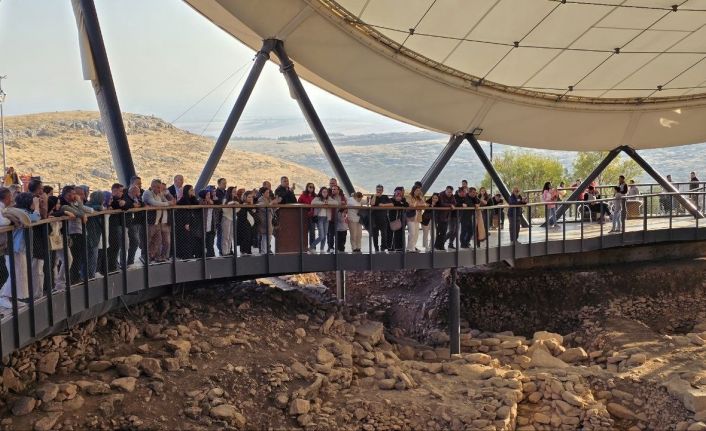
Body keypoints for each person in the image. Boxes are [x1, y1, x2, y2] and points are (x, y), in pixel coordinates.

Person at [0, 193, 41, 309]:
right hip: (14, 248)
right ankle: (3, 297)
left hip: (18, 247)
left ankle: (13, 298)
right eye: (33, 201)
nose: (35, 203)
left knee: (19, 273)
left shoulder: (21, 211)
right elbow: (35, 218)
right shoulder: (21, 212)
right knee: (15, 273)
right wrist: (37, 206)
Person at [142, 179, 173, 263]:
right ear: (153, 186)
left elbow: (170, 202)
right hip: (150, 222)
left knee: (158, 241)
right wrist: (167, 204)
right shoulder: (147, 193)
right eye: (158, 187)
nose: (160, 189)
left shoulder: (159, 194)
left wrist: (167, 199)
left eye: (160, 188)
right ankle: (145, 257)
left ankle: (155, 256)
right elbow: (153, 203)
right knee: (148, 240)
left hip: (157, 222)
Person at [175, 185, 199, 259]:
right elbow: (184, 212)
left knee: (191, 239)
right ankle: (185, 255)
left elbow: (196, 204)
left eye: (193, 190)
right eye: (191, 190)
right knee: (185, 239)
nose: (192, 191)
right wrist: (186, 223)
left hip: (190, 222)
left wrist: (194, 196)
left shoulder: (191, 198)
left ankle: (190, 254)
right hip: (183, 222)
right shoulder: (183, 200)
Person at [85, 191, 105, 279]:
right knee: (92, 254)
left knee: (93, 254)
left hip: (95, 233)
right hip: (90, 233)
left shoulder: (97, 207)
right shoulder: (89, 206)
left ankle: (91, 274)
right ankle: (90, 275)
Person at [124, 184, 143, 266]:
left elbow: (143, 204)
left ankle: (130, 261)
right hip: (128, 222)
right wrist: (133, 205)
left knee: (134, 242)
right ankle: (125, 262)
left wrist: (139, 204)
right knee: (134, 241)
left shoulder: (137, 198)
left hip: (136, 222)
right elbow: (126, 205)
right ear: (133, 192)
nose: (139, 194)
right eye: (137, 192)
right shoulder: (126, 197)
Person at [370, 184, 392, 252]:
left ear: (382, 190)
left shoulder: (385, 197)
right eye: (377, 190)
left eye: (380, 190)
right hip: (374, 218)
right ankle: (376, 247)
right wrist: (375, 196)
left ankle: (383, 247)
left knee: (384, 235)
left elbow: (391, 204)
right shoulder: (373, 196)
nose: (378, 191)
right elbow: (372, 203)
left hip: (383, 218)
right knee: (375, 235)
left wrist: (383, 205)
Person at [311, 187, 334, 252]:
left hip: (326, 218)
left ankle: (322, 249)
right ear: (321, 192)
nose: (325, 193)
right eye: (323, 192)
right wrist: (323, 203)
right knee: (321, 236)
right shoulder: (317, 198)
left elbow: (336, 203)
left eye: (326, 192)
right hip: (319, 218)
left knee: (325, 235)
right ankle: (311, 247)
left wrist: (328, 202)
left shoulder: (329, 198)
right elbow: (312, 203)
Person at [256, 187, 278, 254]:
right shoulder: (260, 200)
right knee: (265, 237)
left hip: (269, 220)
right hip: (264, 221)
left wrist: (276, 205)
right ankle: (263, 251)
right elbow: (264, 208)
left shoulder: (268, 199)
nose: (268, 194)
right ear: (263, 193)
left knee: (269, 237)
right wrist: (272, 203)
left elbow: (271, 209)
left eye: (268, 192)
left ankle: (266, 251)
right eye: (267, 192)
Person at [327, 182, 346, 252]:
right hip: (332, 219)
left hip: (340, 219)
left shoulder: (342, 197)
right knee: (330, 234)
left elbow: (346, 207)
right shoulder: (329, 198)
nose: (333, 190)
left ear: (338, 190)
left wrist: (344, 211)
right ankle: (331, 248)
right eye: (332, 189)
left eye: (335, 189)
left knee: (340, 235)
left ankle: (340, 248)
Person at [435, 186, 455, 250]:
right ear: (445, 190)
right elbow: (441, 204)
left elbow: (455, 203)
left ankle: (441, 246)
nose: (450, 193)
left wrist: (451, 205)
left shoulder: (452, 196)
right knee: (439, 232)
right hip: (439, 217)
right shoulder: (440, 195)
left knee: (444, 232)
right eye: (448, 192)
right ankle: (437, 245)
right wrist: (450, 205)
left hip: (446, 217)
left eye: (451, 192)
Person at [298, 183, 317, 250]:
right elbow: (299, 202)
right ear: (307, 187)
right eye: (310, 187)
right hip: (304, 216)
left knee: (312, 233)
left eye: (312, 187)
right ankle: (304, 247)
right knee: (304, 232)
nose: (311, 188)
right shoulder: (303, 195)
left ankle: (312, 248)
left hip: (312, 216)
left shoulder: (315, 196)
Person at [406, 185, 425, 252]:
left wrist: (420, 197)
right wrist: (417, 205)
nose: (418, 192)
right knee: (412, 233)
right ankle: (409, 248)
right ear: (413, 190)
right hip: (411, 217)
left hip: (418, 217)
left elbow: (424, 205)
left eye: (419, 190)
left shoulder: (419, 197)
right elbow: (411, 205)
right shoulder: (409, 196)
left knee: (416, 233)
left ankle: (413, 247)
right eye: (417, 190)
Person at [221, 186, 239, 255]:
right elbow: (224, 209)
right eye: (234, 191)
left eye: (235, 191)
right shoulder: (225, 199)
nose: (235, 193)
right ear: (230, 192)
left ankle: (228, 251)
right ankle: (225, 252)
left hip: (233, 218)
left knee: (231, 236)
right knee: (226, 236)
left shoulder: (236, 200)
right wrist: (230, 204)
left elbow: (238, 209)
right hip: (226, 218)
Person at [214, 178, 227, 255]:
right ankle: (221, 249)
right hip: (219, 215)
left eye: (225, 183)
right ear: (218, 184)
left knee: (226, 233)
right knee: (220, 233)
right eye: (223, 183)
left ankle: (227, 249)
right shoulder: (216, 192)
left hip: (226, 215)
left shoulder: (226, 192)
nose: (225, 185)